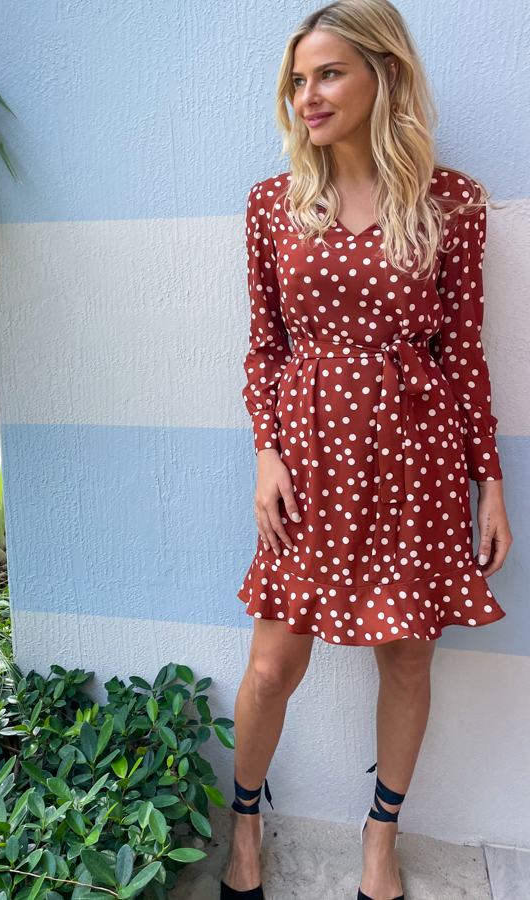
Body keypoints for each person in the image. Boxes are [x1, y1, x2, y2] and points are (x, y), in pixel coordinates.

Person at [220, 2, 514, 899]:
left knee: (408, 659)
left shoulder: (450, 201)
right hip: (305, 459)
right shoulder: (272, 204)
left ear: (384, 73)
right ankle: (243, 829)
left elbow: (461, 351)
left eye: (329, 74)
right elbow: (266, 346)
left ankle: (379, 841)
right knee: (274, 665)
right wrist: (266, 454)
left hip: (414, 458)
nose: (307, 96)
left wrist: (488, 483)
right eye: (298, 80)